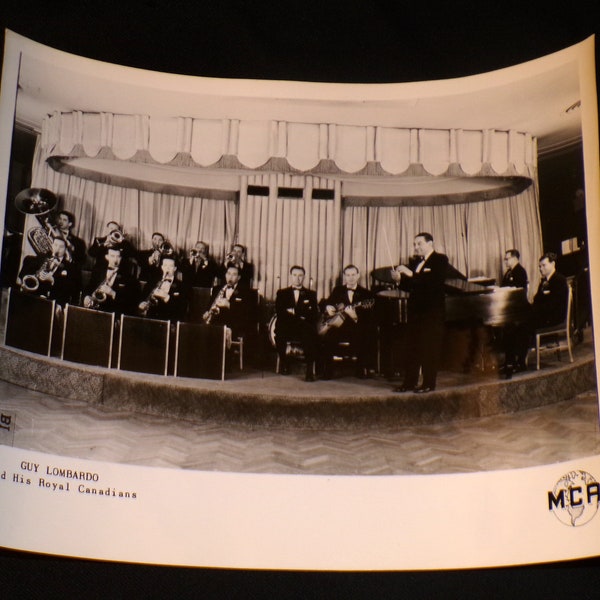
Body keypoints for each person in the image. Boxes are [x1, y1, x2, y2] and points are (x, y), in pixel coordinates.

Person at [391, 232, 448, 393]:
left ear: (430, 243)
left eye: (419, 244)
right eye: (414, 244)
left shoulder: (440, 260)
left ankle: (429, 384)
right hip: (415, 313)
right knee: (412, 348)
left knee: (429, 349)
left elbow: (432, 283)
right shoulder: (416, 262)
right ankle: (409, 382)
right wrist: (399, 280)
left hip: (432, 314)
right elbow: (411, 286)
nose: (416, 247)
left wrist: (409, 273)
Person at [501, 252, 569, 378]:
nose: (541, 269)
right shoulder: (544, 280)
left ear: (553, 264)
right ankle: (511, 361)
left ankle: (519, 362)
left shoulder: (559, 280)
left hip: (554, 317)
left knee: (523, 325)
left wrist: (534, 312)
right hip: (544, 314)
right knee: (514, 324)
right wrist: (532, 310)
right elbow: (537, 299)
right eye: (539, 266)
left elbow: (553, 305)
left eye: (543, 265)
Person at [319, 264, 376, 380]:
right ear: (344, 276)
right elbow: (324, 303)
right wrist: (328, 307)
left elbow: (369, 317)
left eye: (353, 275)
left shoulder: (366, 294)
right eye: (348, 275)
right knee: (328, 336)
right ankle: (328, 370)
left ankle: (361, 368)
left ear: (358, 275)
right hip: (339, 326)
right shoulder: (338, 290)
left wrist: (354, 316)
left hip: (357, 327)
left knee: (366, 334)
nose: (350, 278)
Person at [275, 265, 319, 382]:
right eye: (295, 275)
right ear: (290, 276)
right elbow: (279, 312)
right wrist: (302, 312)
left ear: (304, 277)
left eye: (300, 275)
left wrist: (293, 311)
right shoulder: (282, 293)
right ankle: (284, 362)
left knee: (310, 333)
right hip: (286, 325)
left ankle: (309, 369)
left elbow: (314, 314)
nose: (297, 278)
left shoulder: (311, 294)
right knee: (279, 333)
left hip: (303, 326)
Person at [18, 237, 78, 306]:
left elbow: (70, 289)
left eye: (61, 247)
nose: (57, 248)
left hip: (54, 301)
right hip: (35, 298)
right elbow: (26, 270)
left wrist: (53, 280)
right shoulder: (41, 257)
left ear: (65, 250)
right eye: (55, 245)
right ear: (52, 246)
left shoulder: (70, 267)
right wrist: (37, 273)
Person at [203, 265, 252, 340]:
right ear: (225, 275)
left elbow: (246, 314)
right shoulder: (217, 289)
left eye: (234, 274)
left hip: (235, 325)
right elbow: (210, 305)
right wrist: (207, 312)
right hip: (217, 323)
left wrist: (229, 305)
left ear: (239, 277)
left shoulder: (245, 292)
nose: (230, 277)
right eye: (228, 273)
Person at [83, 246, 136, 316]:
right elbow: (89, 287)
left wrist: (112, 293)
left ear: (121, 258)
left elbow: (130, 301)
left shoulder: (128, 277)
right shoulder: (98, 271)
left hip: (114, 313)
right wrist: (86, 297)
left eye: (118, 256)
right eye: (112, 256)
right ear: (107, 257)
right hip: (95, 310)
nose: (115, 260)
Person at [138, 256, 189, 321]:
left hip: (169, 320)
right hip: (151, 318)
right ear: (162, 267)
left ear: (175, 269)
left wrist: (167, 297)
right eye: (165, 265)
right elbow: (142, 297)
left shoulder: (182, 286)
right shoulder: (152, 282)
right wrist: (141, 304)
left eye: (170, 266)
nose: (167, 268)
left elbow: (182, 309)